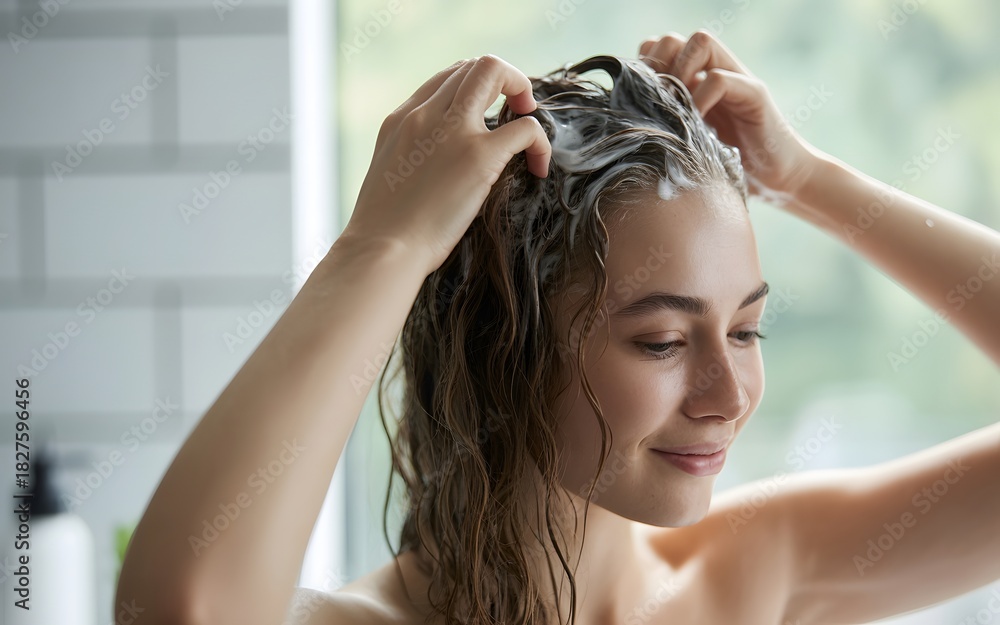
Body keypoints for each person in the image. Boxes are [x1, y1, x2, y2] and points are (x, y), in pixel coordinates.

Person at [115, 31, 1000, 625]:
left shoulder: (752, 574)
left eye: (745, 331)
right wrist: (382, 245)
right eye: (660, 340)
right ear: (509, 344)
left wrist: (808, 180)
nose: (729, 397)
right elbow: (186, 605)